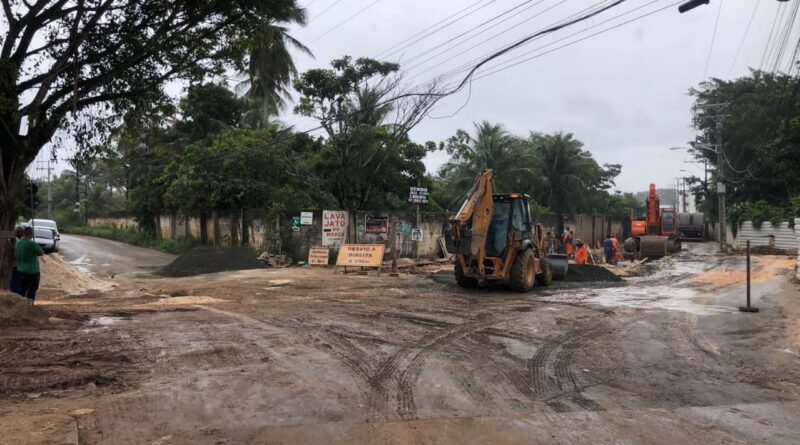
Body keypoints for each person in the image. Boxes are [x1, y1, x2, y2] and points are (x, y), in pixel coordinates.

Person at [15, 226, 43, 305]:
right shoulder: (31, 244)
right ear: (31, 234)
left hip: (20, 270)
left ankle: (20, 305)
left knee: (22, 289)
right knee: (31, 290)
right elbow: (41, 252)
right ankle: (29, 306)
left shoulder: (18, 243)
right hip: (32, 271)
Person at [9, 227, 24, 293]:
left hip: (17, 264)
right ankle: (15, 292)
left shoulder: (17, 241)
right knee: (16, 279)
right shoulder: (18, 241)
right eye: (22, 232)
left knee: (15, 279)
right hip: (17, 264)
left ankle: (14, 291)